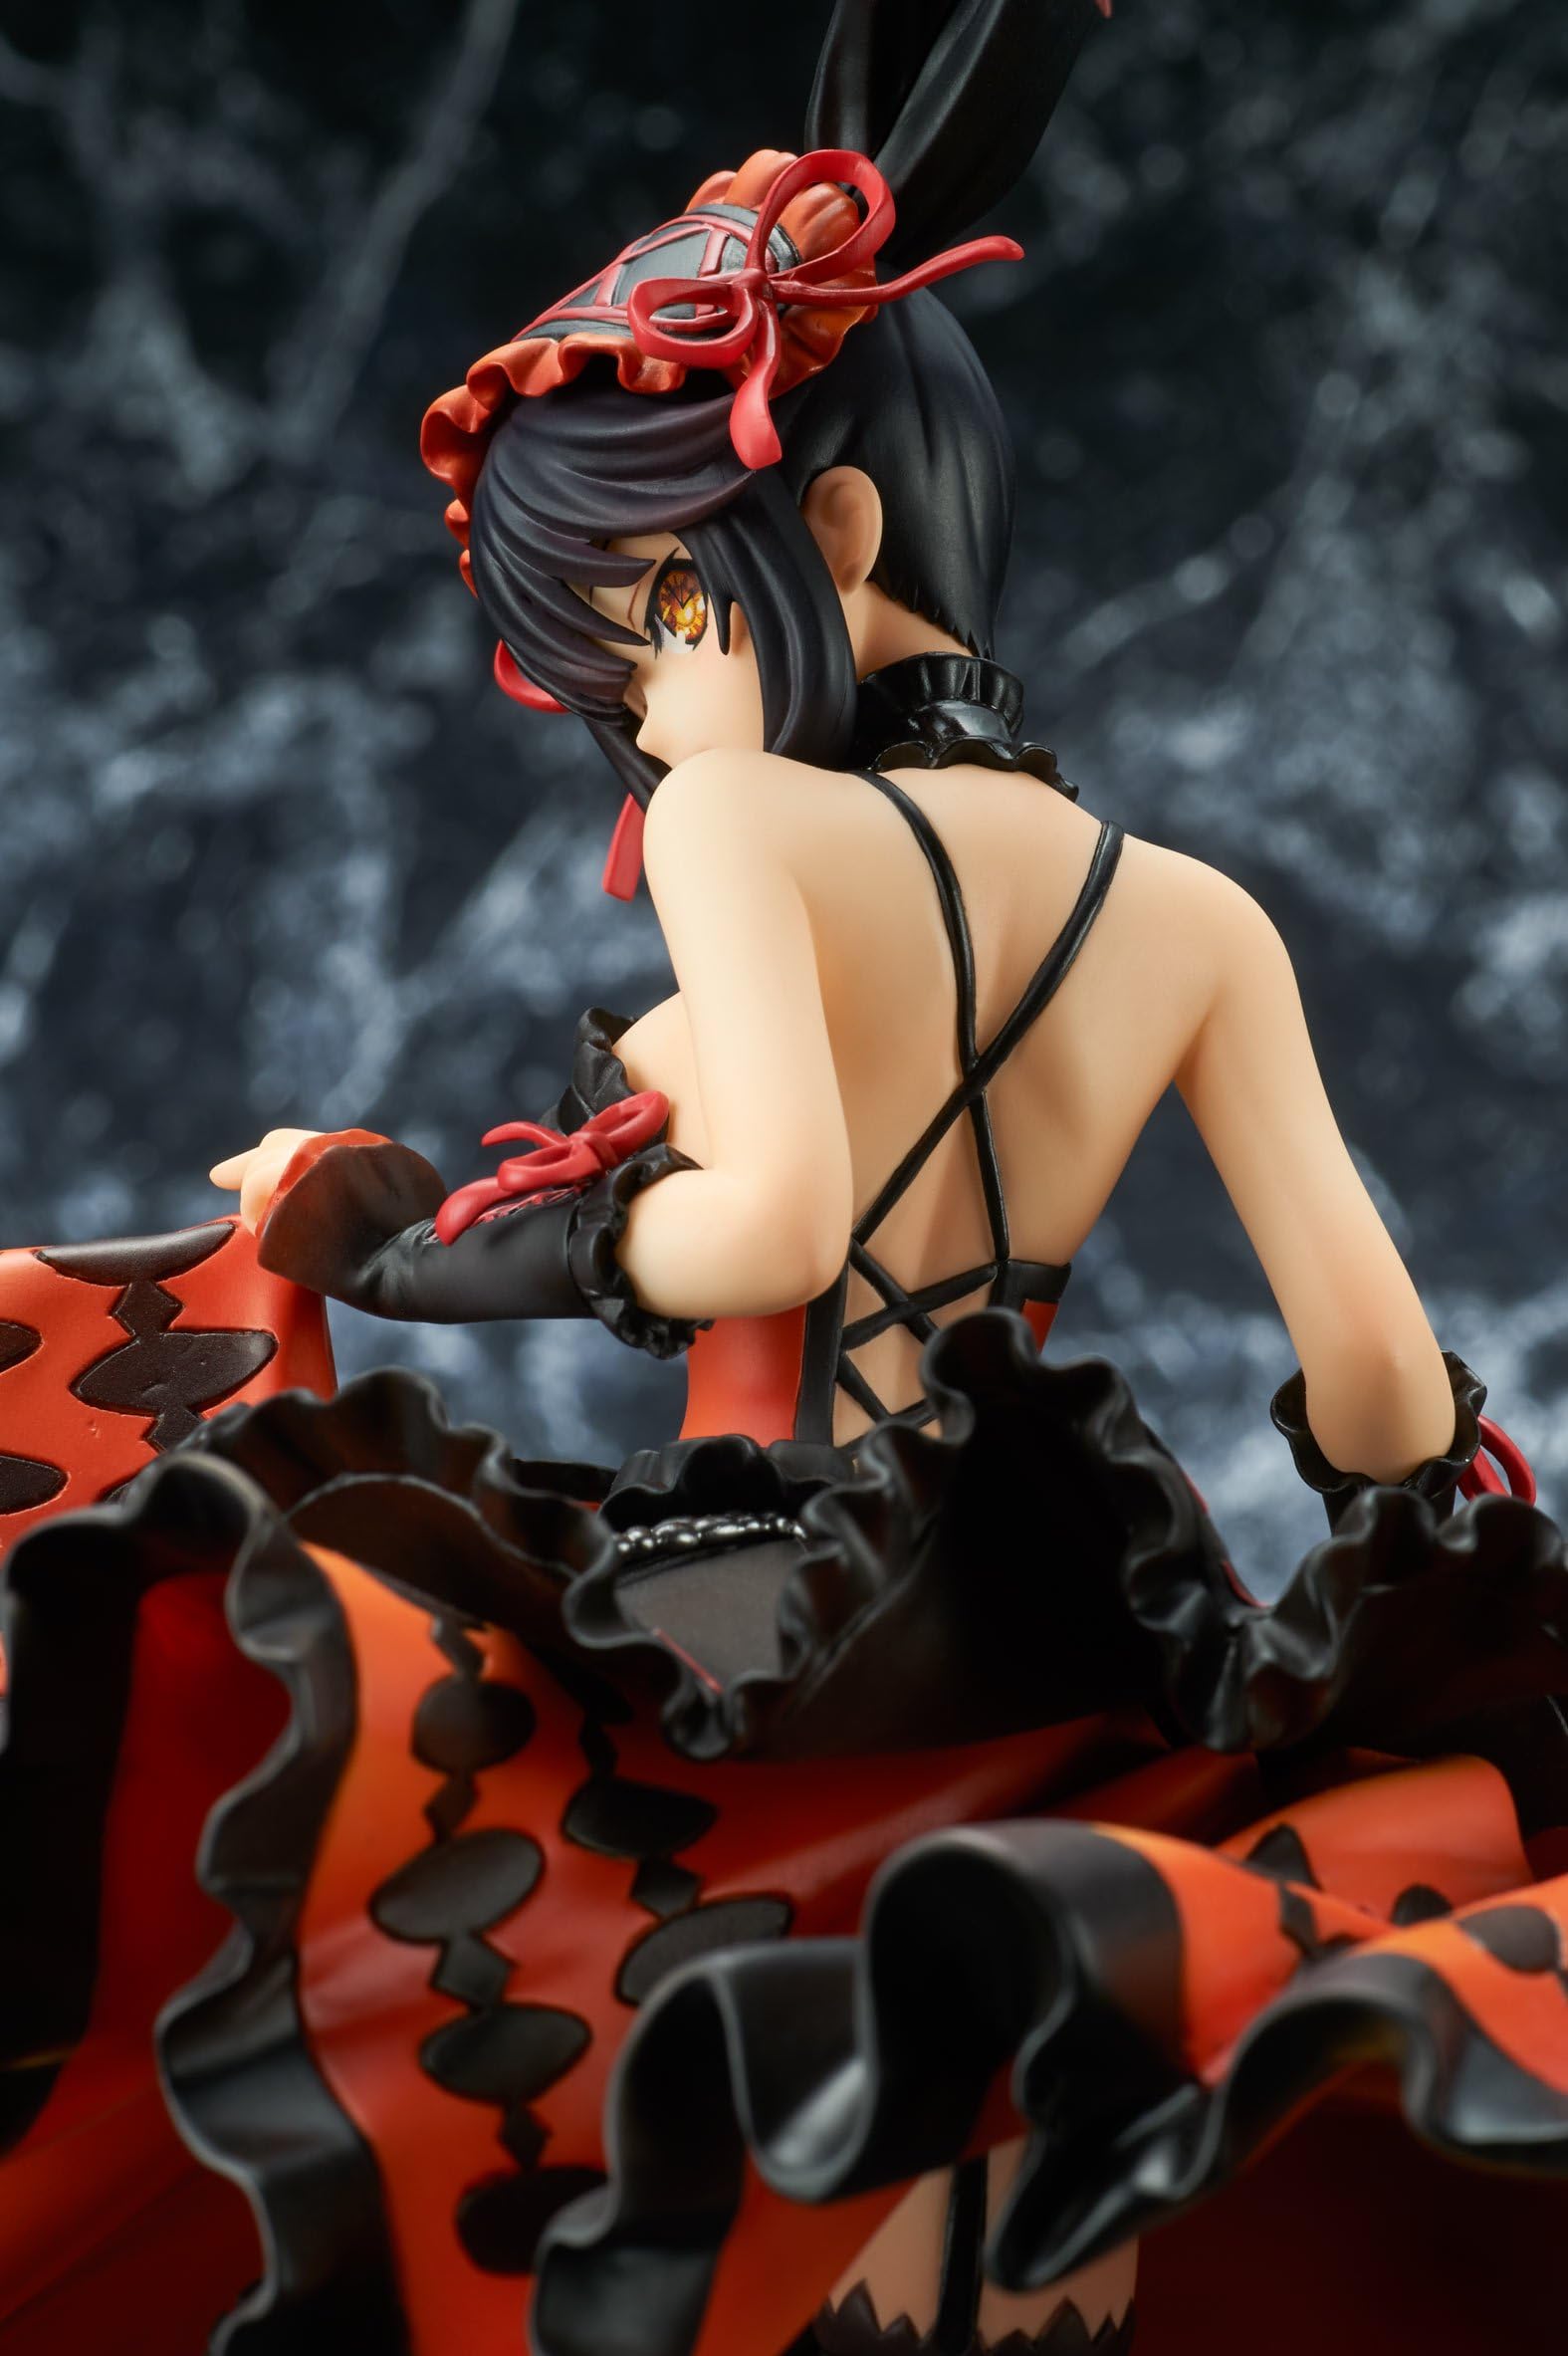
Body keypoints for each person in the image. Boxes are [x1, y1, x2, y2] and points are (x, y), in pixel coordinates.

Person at [2, 5, 1566, 2354]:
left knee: (559, 2080)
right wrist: (1450, 1630)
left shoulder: (750, 822)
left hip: (763, 1614)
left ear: (821, 532)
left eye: (642, 639)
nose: (637, 732)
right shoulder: (1195, 918)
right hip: (1081, 1633)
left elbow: (775, 1229)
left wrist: (402, 1241)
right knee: (1007, 2136)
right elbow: (1370, 1390)